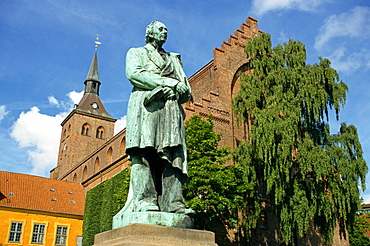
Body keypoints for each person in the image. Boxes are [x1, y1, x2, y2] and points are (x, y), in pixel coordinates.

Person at [123, 21, 192, 214]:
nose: (165, 32)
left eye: (166, 30)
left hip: (171, 109)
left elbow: (186, 90)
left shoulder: (174, 59)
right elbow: (135, 74)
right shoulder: (136, 53)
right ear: (150, 32)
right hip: (146, 107)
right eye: (161, 29)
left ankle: (174, 203)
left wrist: (178, 92)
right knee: (143, 153)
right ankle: (145, 200)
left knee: (173, 156)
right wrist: (169, 83)